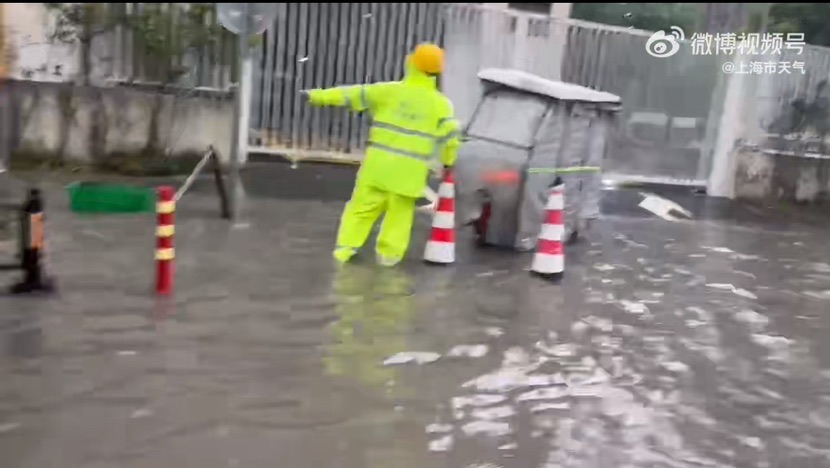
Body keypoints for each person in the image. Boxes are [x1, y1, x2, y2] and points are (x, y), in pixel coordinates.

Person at [304, 43, 461, 267]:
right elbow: (451, 139)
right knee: (399, 219)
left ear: (412, 63)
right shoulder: (441, 105)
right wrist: (448, 163)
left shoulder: (388, 91)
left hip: (377, 169)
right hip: (408, 176)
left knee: (360, 212)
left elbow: (349, 94)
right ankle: (389, 258)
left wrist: (315, 96)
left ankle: (345, 250)